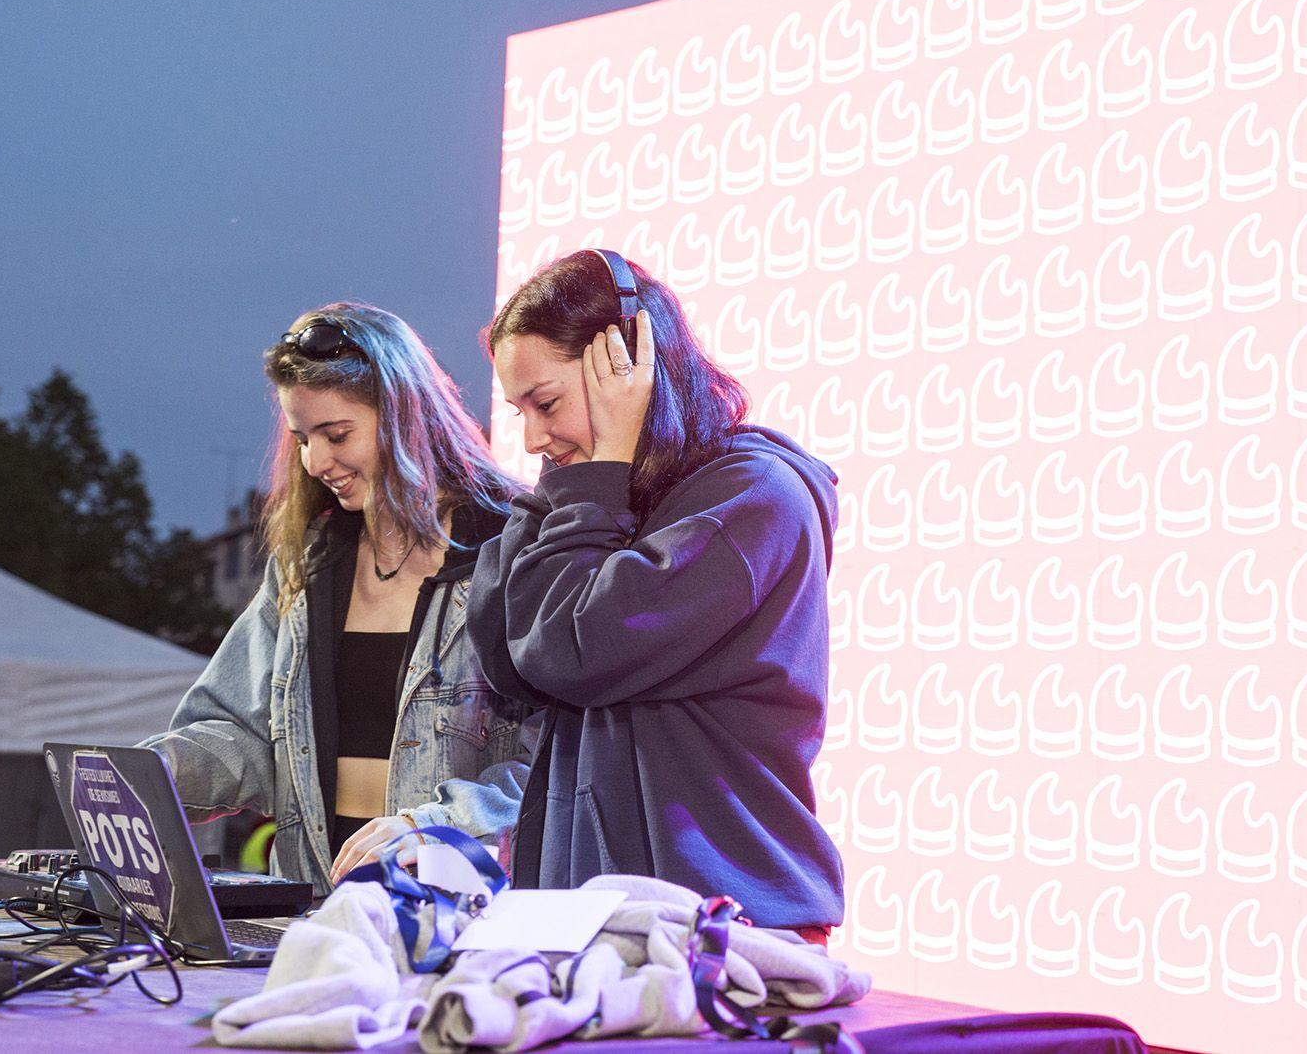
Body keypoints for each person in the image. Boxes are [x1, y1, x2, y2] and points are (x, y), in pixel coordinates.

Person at [468, 249, 845, 938]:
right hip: (598, 918)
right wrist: (573, 477)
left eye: (545, 404)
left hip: (724, 926)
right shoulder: (609, 500)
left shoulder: (753, 496)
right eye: (519, 411)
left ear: (629, 363)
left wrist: (593, 476)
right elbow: (502, 652)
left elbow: (575, 651)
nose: (530, 437)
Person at [145, 302, 529, 894]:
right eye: (302, 438)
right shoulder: (306, 564)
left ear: (406, 415)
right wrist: (159, 772)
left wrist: (432, 827)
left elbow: (556, 766)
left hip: (458, 917)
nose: (315, 461)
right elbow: (244, 735)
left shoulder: (513, 550)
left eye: (337, 434)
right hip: (315, 906)